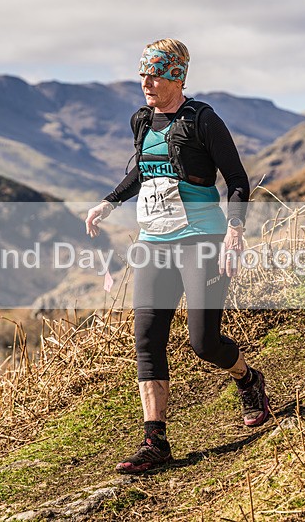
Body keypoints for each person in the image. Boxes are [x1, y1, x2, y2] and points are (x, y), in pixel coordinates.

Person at [85, 38, 270, 474]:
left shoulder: (203, 120)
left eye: (155, 75)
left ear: (177, 77)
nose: (146, 83)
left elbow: (238, 180)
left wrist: (235, 231)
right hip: (153, 242)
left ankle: (249, 380)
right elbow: (143, 170)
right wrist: (108, 203)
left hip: (201, 239)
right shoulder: (142, 120)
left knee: (203, 342)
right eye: (143, 74)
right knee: (147, 341)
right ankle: (155, 441)